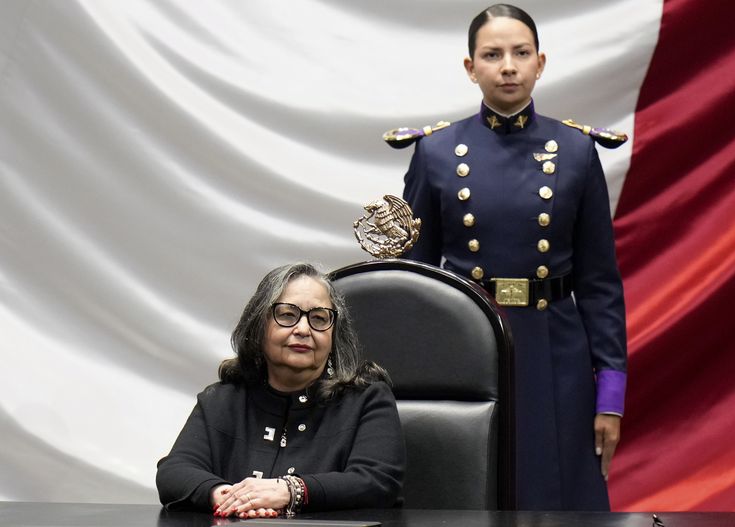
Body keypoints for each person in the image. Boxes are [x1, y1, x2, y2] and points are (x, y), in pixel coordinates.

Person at [395, 4, 627, 510]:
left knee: (559, 496)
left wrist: (610, 396)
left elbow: (600, 283)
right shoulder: (436, 152)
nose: (508, 66)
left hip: (556, 349)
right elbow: (414, 284)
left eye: (521, 53)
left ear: (540, 63)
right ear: (470, 66)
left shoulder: (575, 150)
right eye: (492, 54)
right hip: (470, 346)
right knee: (472, 491)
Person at [156, 263, 406, 518]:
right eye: (287, 315)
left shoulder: (367, 399)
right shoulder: (222, 400)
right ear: (258, 326)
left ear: (334, 334)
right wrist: (227, 497)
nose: (303, 329)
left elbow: (377, 481)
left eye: (319, 318)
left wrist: (290, 491)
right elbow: (174, 471)